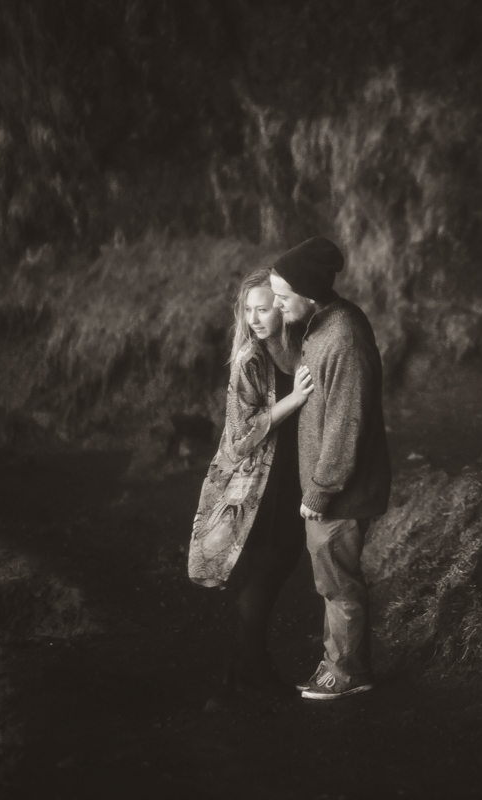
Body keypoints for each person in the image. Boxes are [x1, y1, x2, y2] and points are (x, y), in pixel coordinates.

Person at [269, 236, 392, 700]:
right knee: (332, 578)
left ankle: (349, 672)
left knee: (337, 581)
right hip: (332, 487)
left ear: (309, 292)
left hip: (341, 491)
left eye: (282, 298)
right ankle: (338, 663)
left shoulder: (343, 338)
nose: (278, 306)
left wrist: (319, 491)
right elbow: (298, 368)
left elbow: (347, 424)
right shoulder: (322, 323)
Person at [188, 268, 313, 698]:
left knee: (280, 564)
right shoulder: (251, 360)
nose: (256, 318)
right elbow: (240, 439)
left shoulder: (296, 347)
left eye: (264, 308)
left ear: (281, 308)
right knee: (267, 568)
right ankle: (251, 667)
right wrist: (294, 400)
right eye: (249, 310)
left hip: (294, 474)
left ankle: (246, 664)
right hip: (261, 482)